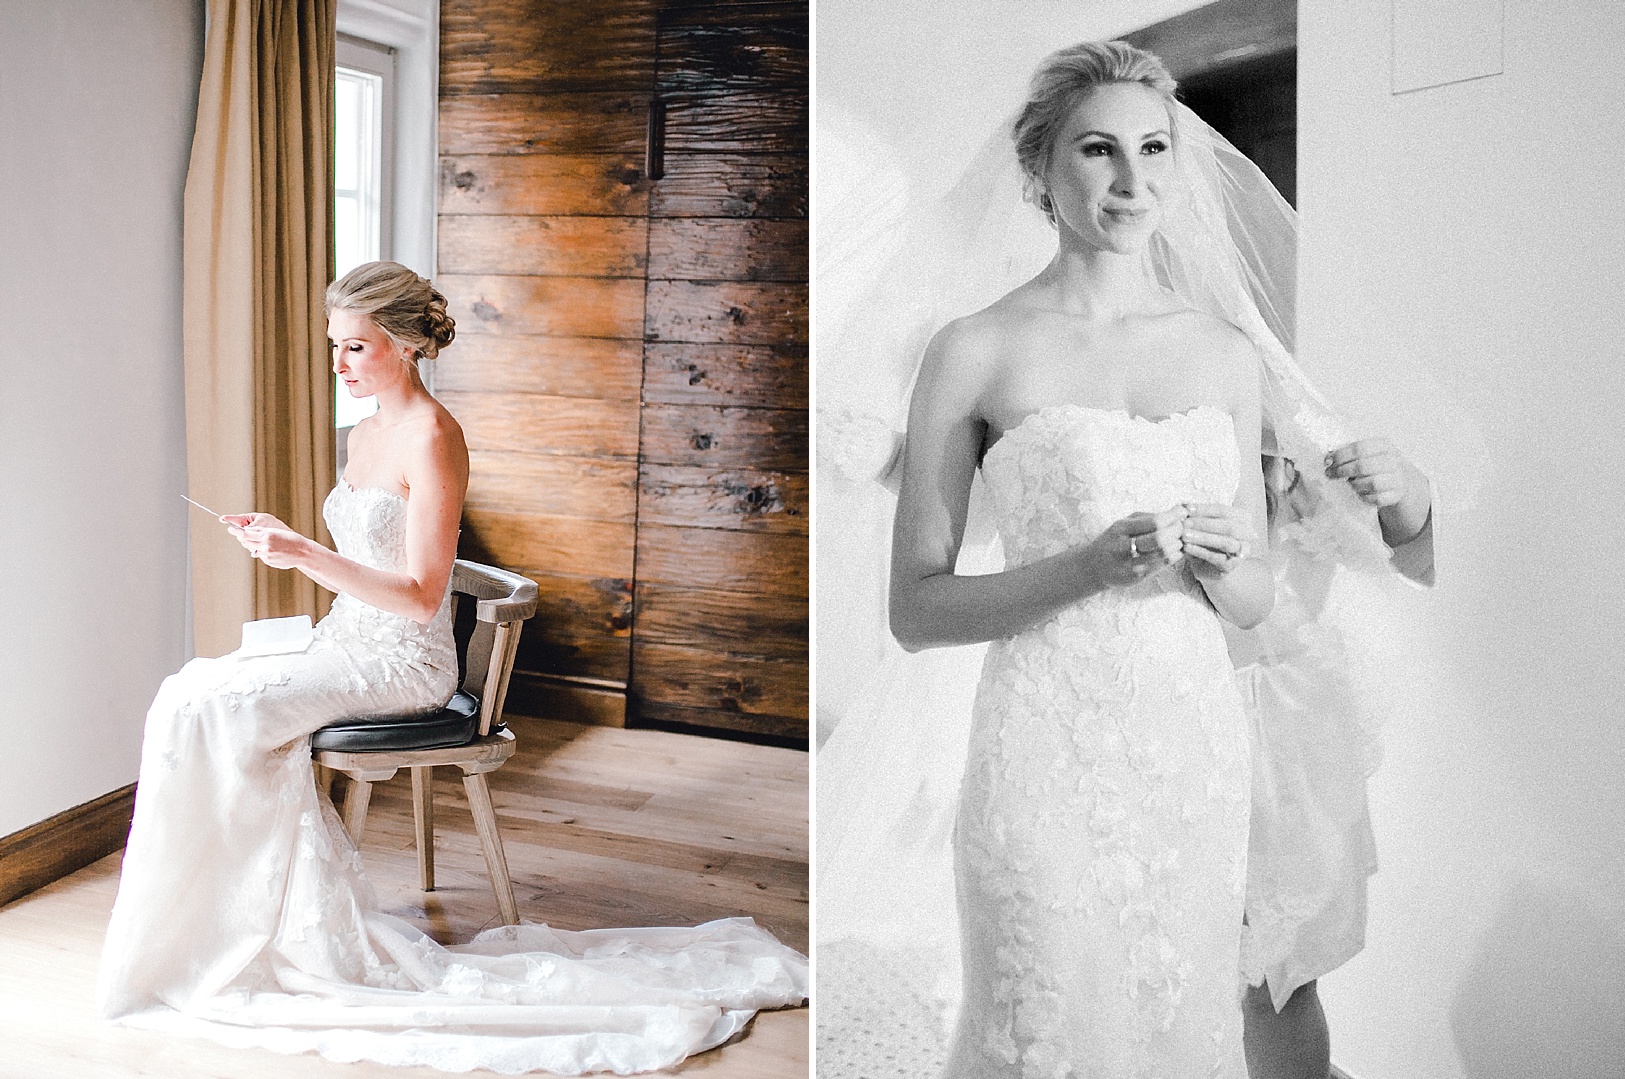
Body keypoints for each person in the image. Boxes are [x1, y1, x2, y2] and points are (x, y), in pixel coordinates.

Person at [97, 261, 807, 1074]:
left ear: (402, 346)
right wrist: (293, 545)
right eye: (334, 345)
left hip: (402, 658)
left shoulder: (434, 436)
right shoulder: (361, 431)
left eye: (355, 347)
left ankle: (247, 934)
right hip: (342, 636)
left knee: (221, 711)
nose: (339, 363)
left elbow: (418, 595)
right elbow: (365, 561)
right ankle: (204, 929)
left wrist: (303, 553)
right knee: (185, 692)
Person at [887, 43, 1274, 1075]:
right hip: (1041, 745)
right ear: (1037, 171)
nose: (1132, 180)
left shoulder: (1223, 351)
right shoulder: (971, 348)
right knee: (1042, 1010)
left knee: (1174, 1013)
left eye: (1153, 149)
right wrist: (1085, 567)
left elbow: (1253, 601)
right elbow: (915, 609)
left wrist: (1223, 559)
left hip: (1190, 745)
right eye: (1098, 150)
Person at [1237, 439, 1435, 1079]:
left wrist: (1406, 487)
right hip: (1166, 717)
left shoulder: (1296, 444)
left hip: (1284, 736)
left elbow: (1406, 540)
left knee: (1277, 977)